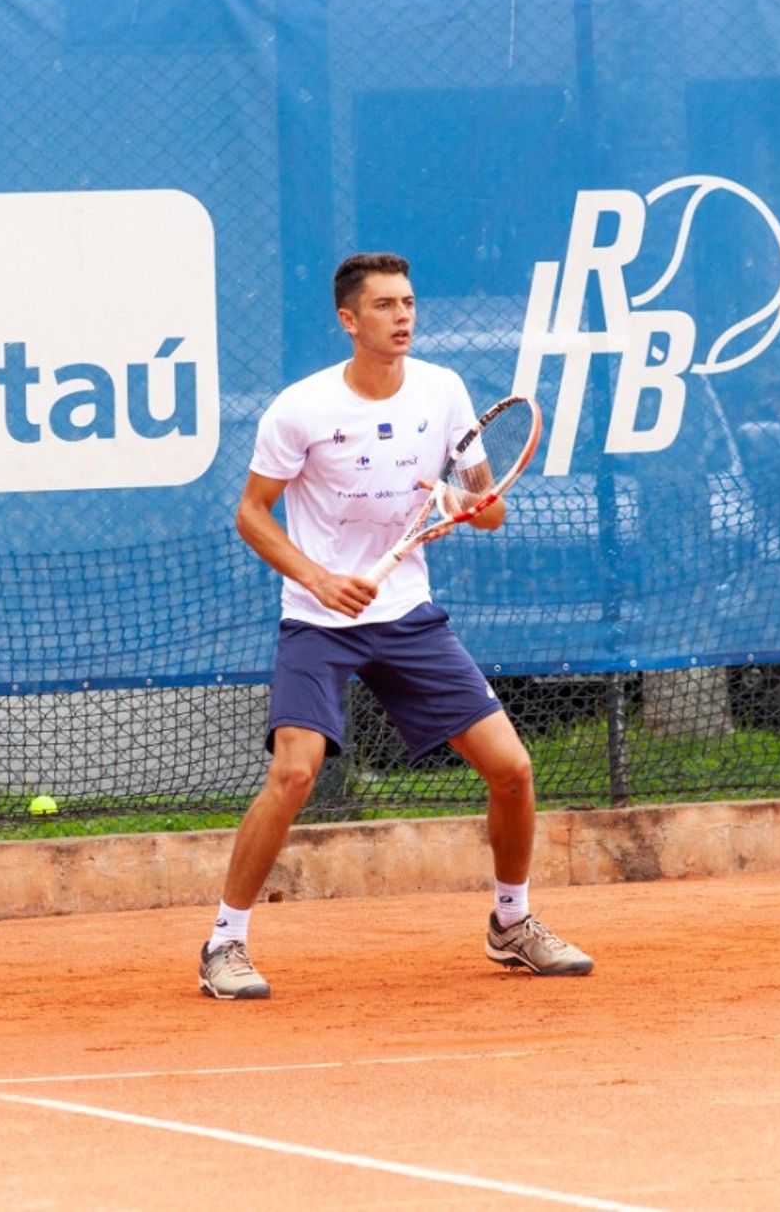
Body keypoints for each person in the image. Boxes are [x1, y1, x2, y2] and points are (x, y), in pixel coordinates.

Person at [198, 252, 593, 1000]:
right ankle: (224, 941)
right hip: (320, 617)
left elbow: (491, 507)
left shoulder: (443, 391)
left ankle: (511, 921)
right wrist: (318, 578)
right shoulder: (300, 409)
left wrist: (450, 500)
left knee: (511, 769)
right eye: (384, 305)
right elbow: (252, 512)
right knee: (294, 772)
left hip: (407, 614)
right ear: (349, 320)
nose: (403, 315)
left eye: (408, 301)